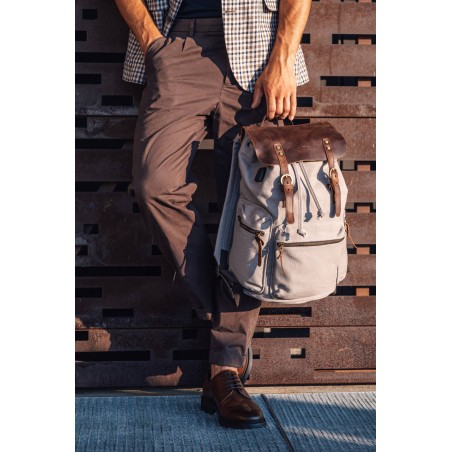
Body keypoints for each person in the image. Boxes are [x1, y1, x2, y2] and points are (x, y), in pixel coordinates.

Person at [114, 0, 311, 429]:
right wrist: (152, 44)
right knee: (155, 185)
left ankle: (225, 370)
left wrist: (282, 57)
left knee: (256, 206)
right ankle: (224, 315)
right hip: (176, 42)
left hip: (258, 53)